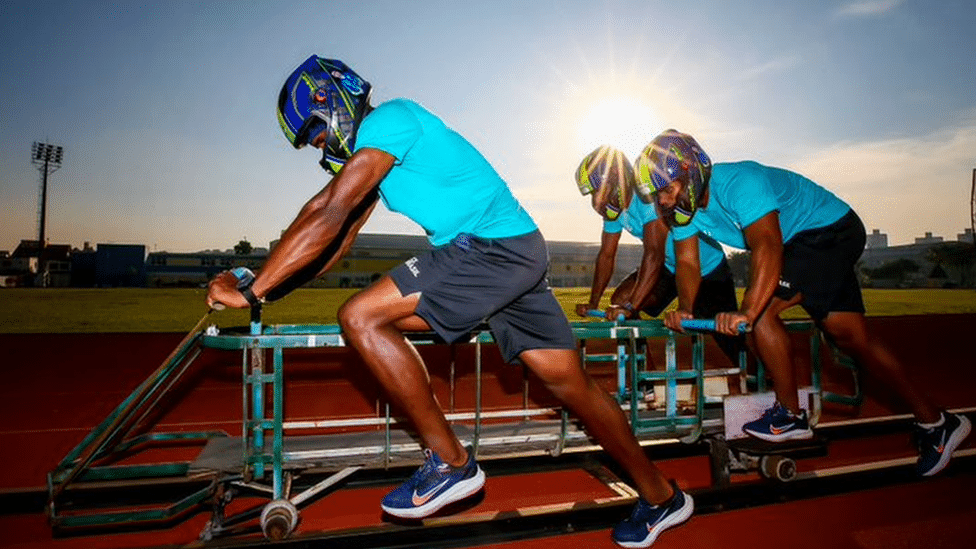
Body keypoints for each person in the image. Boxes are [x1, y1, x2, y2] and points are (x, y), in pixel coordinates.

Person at [206, 56, 692, 547]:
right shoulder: (379, 156)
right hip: (512, 254)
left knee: (362, 316)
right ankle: (662, 496)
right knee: (573, 386)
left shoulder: (389, 119)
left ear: (330, 100)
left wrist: (252, 290)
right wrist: (272, 285)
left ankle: (453, 462)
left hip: (488, 250)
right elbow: (339, 238)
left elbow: (327, 208)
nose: (317, 145)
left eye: (314, 131)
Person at [637, 129, 970, 476]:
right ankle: (937, 421)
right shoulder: (682, 212)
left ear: (691, 170)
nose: (663, 201)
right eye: (658, 194)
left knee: (762, 314)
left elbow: (767, 245)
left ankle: (790, 415)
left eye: (666, 189)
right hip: (804, 244)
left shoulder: (739, 182)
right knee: (852, 338)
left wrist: (749, 310)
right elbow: (688, 263)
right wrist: (688, 309)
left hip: (828, 231)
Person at [573, 145, 745, 373]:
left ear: (617, 182)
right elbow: (606, 255)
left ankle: (761, 379)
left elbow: (653, 255)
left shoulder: (648, 200)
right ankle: (645, 376)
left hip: (706, 269)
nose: (596, 201)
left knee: (725, 336)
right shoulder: (613, 211)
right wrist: (594, 302)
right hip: (669, 268)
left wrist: (630, 305)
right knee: (621, 298)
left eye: (598, 191)